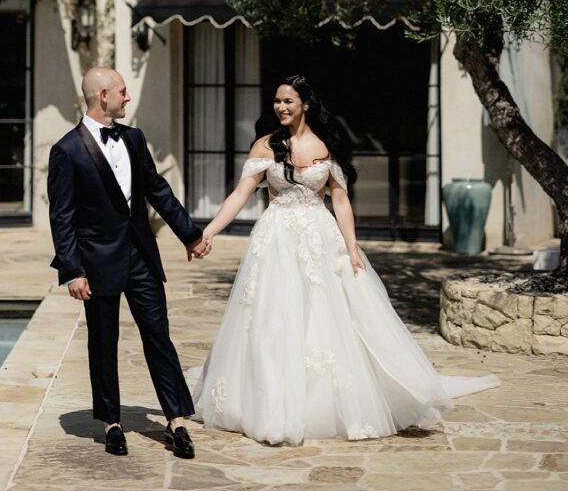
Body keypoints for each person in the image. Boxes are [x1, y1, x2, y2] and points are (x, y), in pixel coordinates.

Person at [191, 75, 499, 445]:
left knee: (322, 315)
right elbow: (239, 195)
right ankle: (269, 400)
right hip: (275, 240)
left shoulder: (326, 146)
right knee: (271, 317)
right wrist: (208, 231)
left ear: (305, 104)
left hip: (320, 239)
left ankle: (319, 402)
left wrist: (352, 249)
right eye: (277, 101)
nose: (281, 107)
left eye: (288, 101)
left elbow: (339, 200)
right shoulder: (265, 146)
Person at [48, 66, 208, 459]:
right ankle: (112, 424)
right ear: (104, 95)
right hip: (97, 261)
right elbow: (62, 216)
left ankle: (177, 422)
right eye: (122, 91)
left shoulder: (134, 138)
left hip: (141, 256)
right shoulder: (66, 150)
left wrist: (190, 233)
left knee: (159, 338)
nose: (127, 97)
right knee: (103, 344)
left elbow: (157, 189)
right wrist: (72, 270)